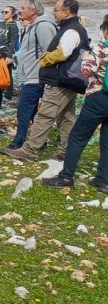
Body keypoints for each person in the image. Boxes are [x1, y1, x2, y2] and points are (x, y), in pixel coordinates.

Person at [3, 0, 89, 162]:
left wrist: (44, 59)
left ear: (66, 12)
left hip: (60, 80)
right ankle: (66, 151)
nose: (53, 13)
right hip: (69, 80)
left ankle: (30, 150)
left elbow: (62, 53)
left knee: (45, 115)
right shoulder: (71, 28)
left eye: (56, 10)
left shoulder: (71, 30)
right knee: (66, 117)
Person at [42, 14, 108, 193]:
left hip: (99, 96)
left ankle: (66, 176)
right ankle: (102, 179)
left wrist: (86, 56)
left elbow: (87, 71)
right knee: (107, 140)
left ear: (106, 30)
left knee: (78, 136)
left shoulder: (102, 47)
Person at [2, 0, 56, 151]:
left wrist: (43, 74)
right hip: (29, 76)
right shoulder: (32, 26)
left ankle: (18, 142)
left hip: (35, 77)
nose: (20, 11)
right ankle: (41, 142)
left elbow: (50, 52)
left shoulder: (43, 27)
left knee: (24, 109)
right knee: (31, 111)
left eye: (23, 8)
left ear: (33, 11)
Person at [0, 6, 20, 100]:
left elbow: (13, 42)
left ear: (12, 14)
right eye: (2, 12)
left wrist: (10, 55)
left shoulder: (13, 26)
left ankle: (8, 94)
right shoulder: (0, 24)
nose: (3, 14)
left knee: (7, 73)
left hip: (6, 53)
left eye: (6, 12)